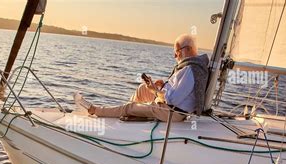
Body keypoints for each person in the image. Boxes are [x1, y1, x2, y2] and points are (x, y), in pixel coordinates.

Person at [75, 34, 210, 122]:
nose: (175, 57)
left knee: (129, 107)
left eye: (176, 53)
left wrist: (157, 91)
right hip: (168, 105)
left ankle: (97, 110)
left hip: (172, 113)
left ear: (185, 50)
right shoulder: (190, 67)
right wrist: (160, 87)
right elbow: (176, 91)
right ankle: (129, 114)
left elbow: (172, 100)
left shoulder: (190, 70)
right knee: (142, 89)